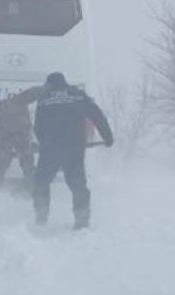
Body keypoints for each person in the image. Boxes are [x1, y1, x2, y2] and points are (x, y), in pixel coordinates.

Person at [31, 72, 114, 228]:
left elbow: (38, 126)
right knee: (77, 184)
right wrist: (107, 136)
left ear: (50, 84)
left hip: (50, 149)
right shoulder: (78, 95)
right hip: (74, 148)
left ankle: (41, 218)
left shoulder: (44, 98)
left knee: (41, 183)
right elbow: (97, 115)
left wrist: (44, 142)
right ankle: (81, 220)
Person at [0, 86, 40, 192]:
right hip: (20, 141)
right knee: (28, 167)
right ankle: (31, 190)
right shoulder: (19, 106)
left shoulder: (4, 108)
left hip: (5, 142)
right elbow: (25, 126)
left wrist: (0, 141)